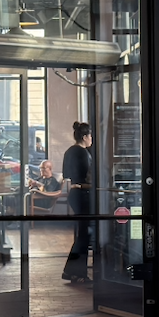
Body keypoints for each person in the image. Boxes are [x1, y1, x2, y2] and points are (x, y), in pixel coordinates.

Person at [61, 121, 94, 282]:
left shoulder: (69, 151)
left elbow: (66, 173)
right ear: (85, 137)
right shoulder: (83, 153)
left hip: (74, 193)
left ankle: (73, 271)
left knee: (83, 234)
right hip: (83, 194)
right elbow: (88, 176)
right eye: (90, 135)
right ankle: (75, 272)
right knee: (84, 235)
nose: (91, 139)